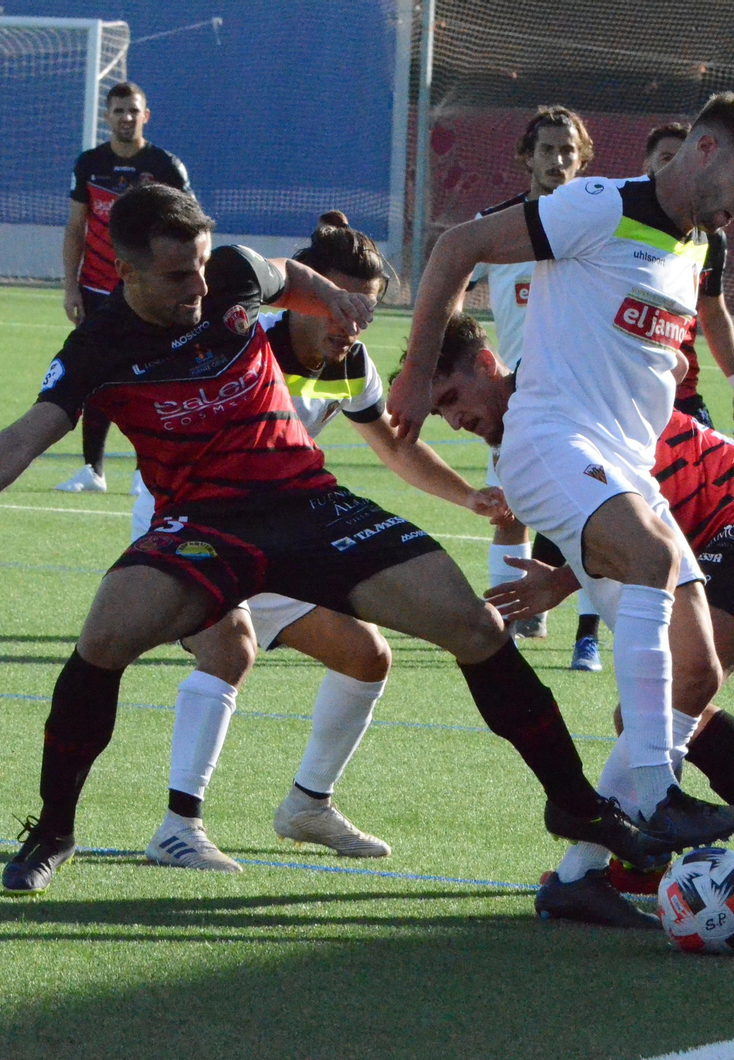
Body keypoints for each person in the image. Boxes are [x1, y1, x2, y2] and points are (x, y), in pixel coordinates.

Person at [0, 184, 671, 896]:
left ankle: (575, 805)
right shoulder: (98, 348)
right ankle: (53, 830)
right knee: (104, 636)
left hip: (306, 505)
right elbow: (28, 433)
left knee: (473, 625)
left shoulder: (233, 275)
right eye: (179, 276)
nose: (199, 288)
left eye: (204, 267)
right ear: (128, 271)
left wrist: (332, 295)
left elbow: (283, 274)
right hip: (205, 526)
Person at [391, 92, 734, 923]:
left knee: (695, 671)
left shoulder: (696, 248)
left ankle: (580, 879)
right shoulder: (600, 204)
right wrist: (412, 369)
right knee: (652, 559)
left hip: (624, 469)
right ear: (705, 148)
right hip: (550, 442)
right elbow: (459, 245)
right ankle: (653, 795)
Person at [426, 314, 734, 930]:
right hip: (715, 530)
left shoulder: (549, 404)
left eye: (451, 398)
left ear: (488, 365)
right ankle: (610, 861)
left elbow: (630, 518)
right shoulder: (536, 418)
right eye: (440, 412)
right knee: (658, 712)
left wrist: (563, 578)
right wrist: (560, 577)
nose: (455, 420)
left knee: (677, 697)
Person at [134, 212, 508, 870]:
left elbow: (396, 450)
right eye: (335, 305)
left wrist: (470, 497)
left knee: (366, 656)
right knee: (229, 647)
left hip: (270, 531)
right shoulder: (242, 340)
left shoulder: (348, 365)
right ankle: (176, 826)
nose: (347, 324)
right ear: (298, 292)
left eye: (361, 312)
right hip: (190, 520)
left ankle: (308, 805)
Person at [465, 106, 605, 672]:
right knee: (507, 510)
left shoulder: (599, 223)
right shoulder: (498, 224)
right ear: (528, 157)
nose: (558, 160)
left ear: (582, 158)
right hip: (514, 399)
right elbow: (453, 272)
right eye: (547, 150)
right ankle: (511, 616)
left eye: (568, 151)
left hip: (584, 392)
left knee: (595, 508)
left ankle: (588, 635)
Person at [57, 81, 190, 494]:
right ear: (106, 116)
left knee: (152, 380)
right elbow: (76, 228)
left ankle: (145, 473)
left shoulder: (166, 167)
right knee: (95, 379)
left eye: (133, 110)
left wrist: (182, 285)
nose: (126, 118)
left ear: (145, 116)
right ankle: (92, 470)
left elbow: (190, 229)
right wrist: (70, 287)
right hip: (96, 291)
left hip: (148, 293)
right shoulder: (90, 164)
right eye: (118, 111)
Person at [642, 122, 734, 438]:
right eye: (666, 158)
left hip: (683, 398)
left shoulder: (710, 238)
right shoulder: (618, 218)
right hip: (628, 396)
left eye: (683, 159)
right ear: (647, 165)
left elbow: (713, 312)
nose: (675, 168)